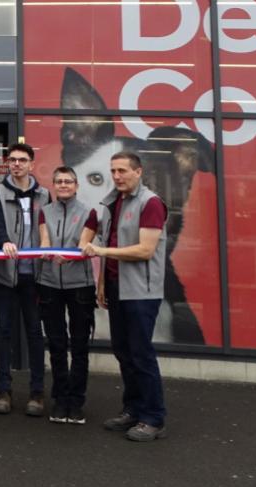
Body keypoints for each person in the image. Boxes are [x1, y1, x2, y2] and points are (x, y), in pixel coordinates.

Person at [82, 151, 169, 442]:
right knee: (124, 353)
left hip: (142, 292)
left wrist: (101, 252)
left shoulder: (151, 203)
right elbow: (104, 238)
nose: (117, 176)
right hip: (116, 287)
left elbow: (145, 250)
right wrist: (102, 283)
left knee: (141, 354)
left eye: (122, 171)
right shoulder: (112, 202)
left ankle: (153, 418)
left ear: (138, 172)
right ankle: (132, 410)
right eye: (114, 171)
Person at [0, 143, 50, 415]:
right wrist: (4, 242)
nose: (17, 164)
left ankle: (37, 392)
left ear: (31, 164)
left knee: (35, 333)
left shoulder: (45, 195)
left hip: (34, 276)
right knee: (3, 332)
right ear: (7, 163)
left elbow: (49, 228)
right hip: (4, 276)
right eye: (12, 160)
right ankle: (4, 389)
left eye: (22, 160)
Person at [38, 166, 98, 424]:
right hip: (49, 283)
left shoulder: (89, 212)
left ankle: (77, 401)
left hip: (80, 286)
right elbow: (44, 242)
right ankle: (60, 400)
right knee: (57, 345)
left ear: (76, 185)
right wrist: (49, 253)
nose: (63, 185)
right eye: (59, 181)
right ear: (53, 185)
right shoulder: (45, 212)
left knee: (80, 345)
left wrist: (70, 255)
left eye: (68, 181)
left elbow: (84, 245)